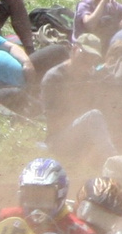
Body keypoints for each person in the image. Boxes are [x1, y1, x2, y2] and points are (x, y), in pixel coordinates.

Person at [39, 34, 116, 171]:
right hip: (59, 140)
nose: (88, 60)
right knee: (94, 116)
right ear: (74, 49)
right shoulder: (54, 78)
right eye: (84, 54)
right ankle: (115, 164)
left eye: (93, 57)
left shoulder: (92, 77)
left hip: (86, 135)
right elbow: (53, 123)